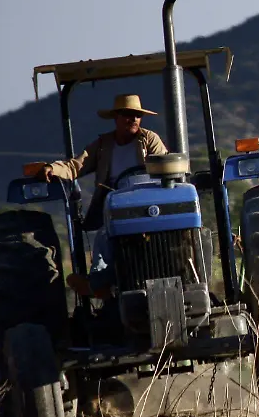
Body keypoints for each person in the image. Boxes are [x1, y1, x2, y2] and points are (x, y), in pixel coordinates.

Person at [37, 93, 168, 298]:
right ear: (116, 118)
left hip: (148, 203)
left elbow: (164, 164)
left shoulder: (149, 139)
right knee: (105, 236)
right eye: (127, 114)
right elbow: (74, 166)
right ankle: (98, 283)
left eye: (137, 115)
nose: (133, 119)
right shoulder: (103, 145)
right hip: (117, 204)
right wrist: (52, 168)